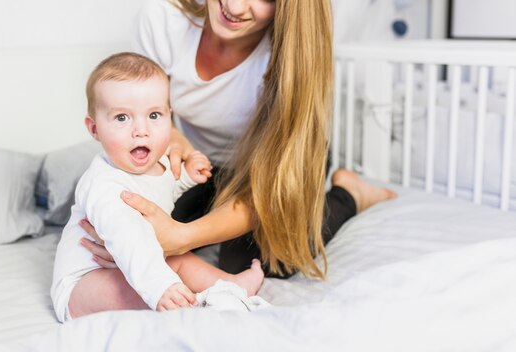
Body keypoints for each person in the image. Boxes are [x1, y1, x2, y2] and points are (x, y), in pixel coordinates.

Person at [75, 0, 395, 317]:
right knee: (146, 227)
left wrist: (182, 237)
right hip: (206, 166)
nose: (235, 6)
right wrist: (174, 138)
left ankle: (349, 194)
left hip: (277, 171)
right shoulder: (163, 20)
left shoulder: (287, 57)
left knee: (263, 260)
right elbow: (146, 108)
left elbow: (267, 191)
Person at [51, 52, 264, 322]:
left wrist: (185, 178)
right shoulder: (102, 184)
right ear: (94, 129)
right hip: (87, 281)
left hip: (139, 263)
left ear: (169, 117)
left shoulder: (159, 165)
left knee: (180, 259)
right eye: (121, 118)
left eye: (153, 115)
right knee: (135, 291)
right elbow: (127, 237)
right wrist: (161, 286)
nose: (141, 130)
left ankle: (231, 286)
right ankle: (196, 308)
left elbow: (161, 196)